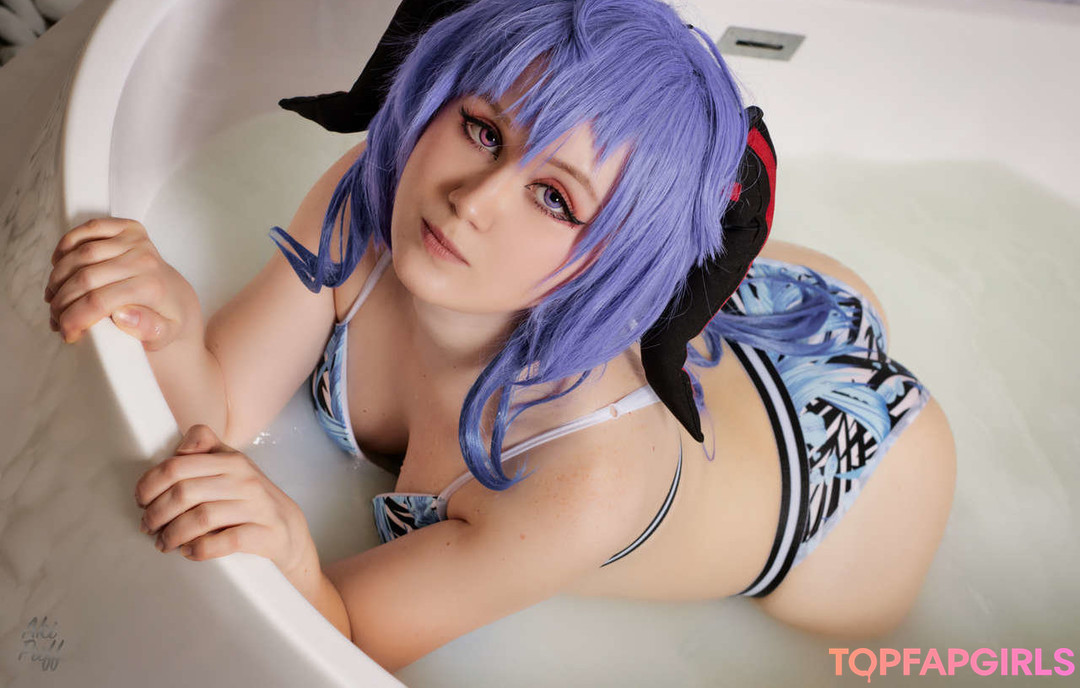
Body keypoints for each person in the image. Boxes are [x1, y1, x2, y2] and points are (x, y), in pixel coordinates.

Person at [42, 0, 956, 673]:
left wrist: (290, 551)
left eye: (553, 196)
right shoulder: (378, 198)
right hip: (730, 307)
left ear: (618, 261)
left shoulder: (583, 477)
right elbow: (221, 406)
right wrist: (167, 324)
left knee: (846, 641)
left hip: (840, 482)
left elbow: (347, 637)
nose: (471, 201)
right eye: (483, 130)